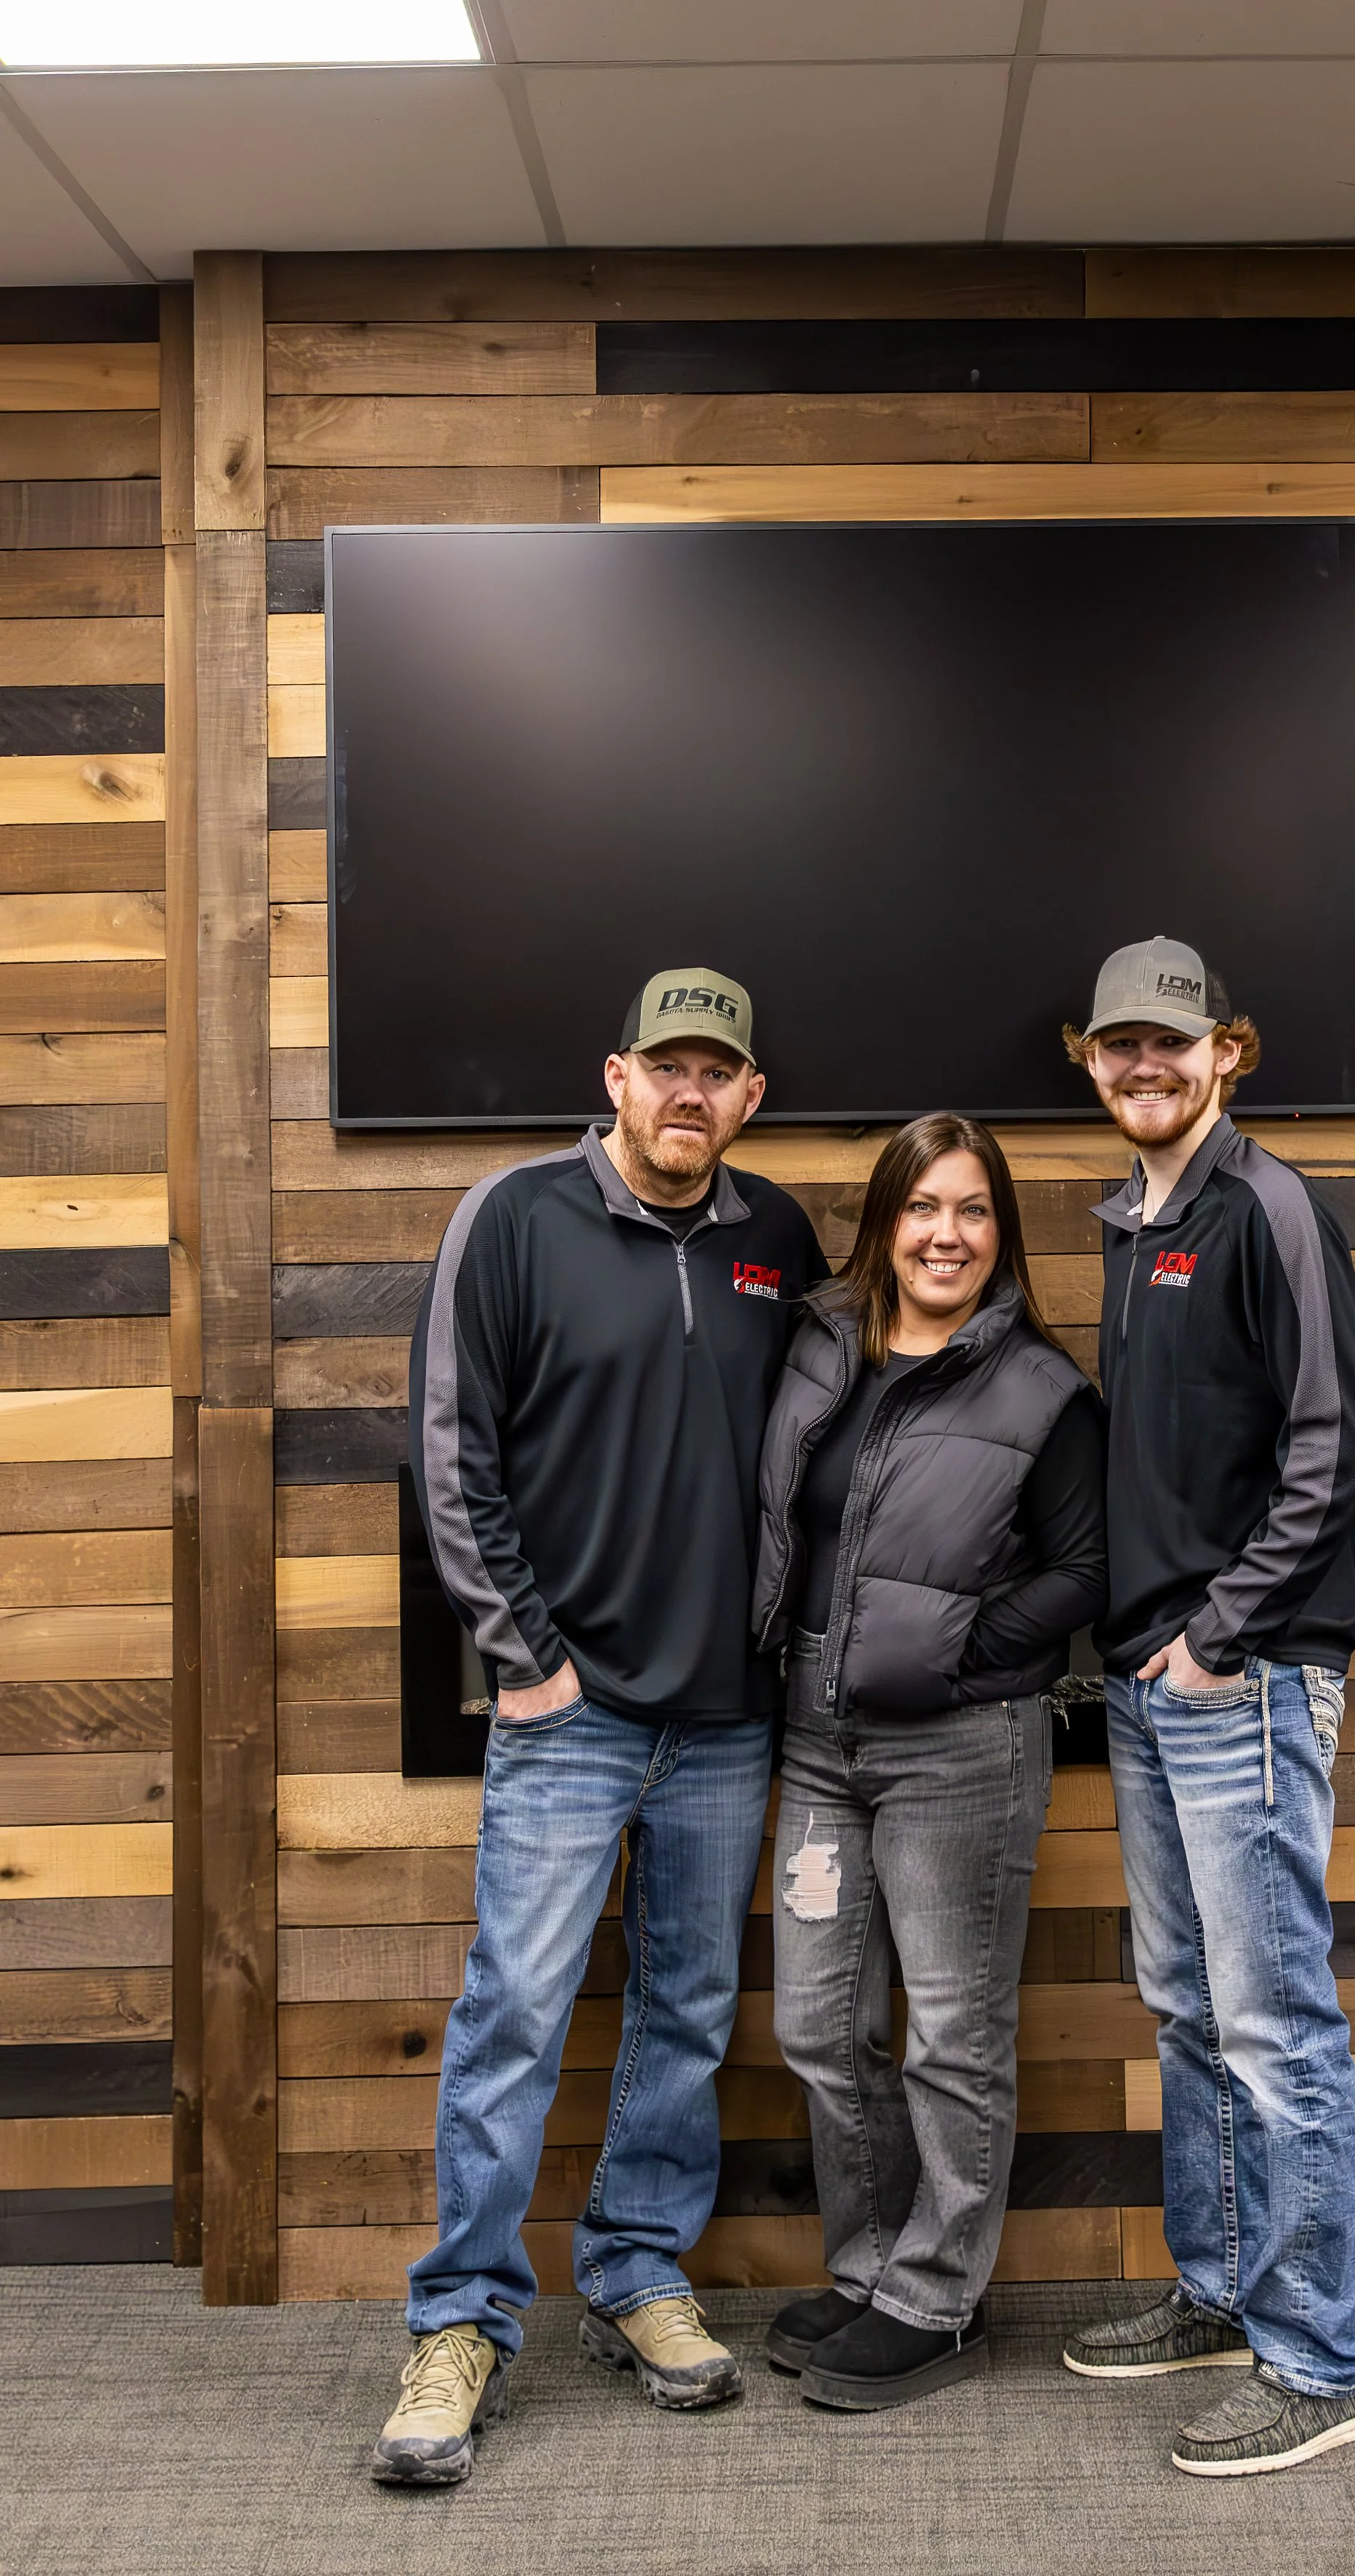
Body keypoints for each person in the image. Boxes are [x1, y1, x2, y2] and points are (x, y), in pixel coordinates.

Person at [371, 970, 828, 2485]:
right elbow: (449, 1450)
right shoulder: (510, 1219)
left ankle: (634, 2270)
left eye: (722, 1073)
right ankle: (463, 2318)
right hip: (567, 1712)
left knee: (688, 2012)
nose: (692, 1093)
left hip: (725, 1717)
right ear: (618, 1074)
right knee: (514, 2009)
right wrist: (522, 1657)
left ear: (748, 1096)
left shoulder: (778, 1239)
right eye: (668, 1067)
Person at [1058, 936, 1355, 2478]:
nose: (1144, 1066)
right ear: (1087, 1057)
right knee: (1190, 2006)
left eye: (1169, 1045)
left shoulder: (1263, 1205)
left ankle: (1322, 2360)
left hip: (1239, 1678)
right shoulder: (1133, 1219)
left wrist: (1214, 1637)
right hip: (1152, 1679)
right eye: (1118, 1046)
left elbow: (1335, 1449)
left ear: (1226, 1054)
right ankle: (1220, 2288)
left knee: (1273, 2025)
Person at [749, 1112, 1106, 2412]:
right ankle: (867, 2271)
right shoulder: (819, 1349)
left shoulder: (1043, 1390)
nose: (943, 1234)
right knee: (819, 2026)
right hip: (818, 1742)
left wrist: (958, 1653)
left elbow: (1084, 1568)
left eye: (970, 1210)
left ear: (999, 1234)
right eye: (921, 1208)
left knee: (949, 2037)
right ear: (883, 1224)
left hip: (961, 1753)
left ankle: (936, 2297)